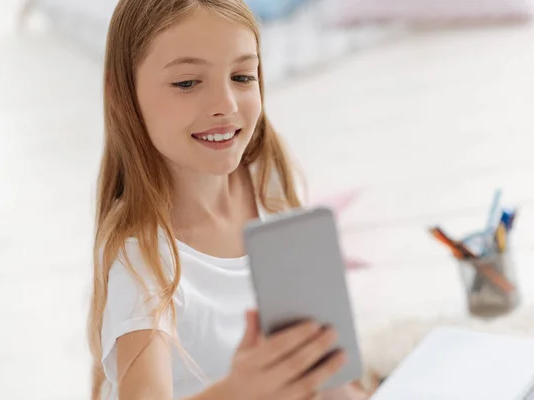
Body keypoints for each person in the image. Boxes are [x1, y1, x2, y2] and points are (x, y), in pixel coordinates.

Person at [86, 0, 369, 399]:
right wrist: (240, 391)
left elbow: (324, 370)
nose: (226, 106)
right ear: (123, 94)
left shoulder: (266, 185)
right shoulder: (141, 256)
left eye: (241, 76)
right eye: (187, 83)